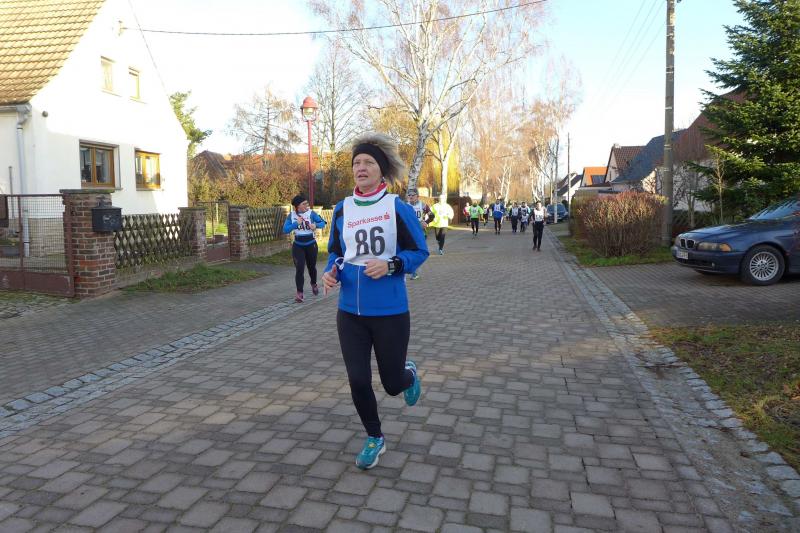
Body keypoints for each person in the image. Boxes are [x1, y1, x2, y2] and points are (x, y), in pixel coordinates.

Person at [321, 132, 429, 470]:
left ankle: (408, 375)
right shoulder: (342, 208)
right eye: (357, 162)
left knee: (392, 384)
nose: (361, 168)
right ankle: (374, 437)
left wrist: (392, 265)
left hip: (390, 311)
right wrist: (330, 271)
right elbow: (336, 252)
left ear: (382, 170)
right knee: (358, 380)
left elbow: (420, 251)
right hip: (349, 313)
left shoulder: (396, 208)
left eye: (369, 162)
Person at [283, 195, 327, 303]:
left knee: (311, 267)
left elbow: (323, 223)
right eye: (304, 204)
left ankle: (314, 283)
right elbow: (285, 230)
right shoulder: (291, 216)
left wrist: (316, 225)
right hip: (298, 245)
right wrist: (295, 223)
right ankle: (299, 293)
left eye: (307, 203)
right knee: (299, 268)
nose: (307, 205)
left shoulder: (311, 213)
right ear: (298, 206)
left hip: (311, 244)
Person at [406, 189, 434, 280]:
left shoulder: (423, 205)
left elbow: (432, 216)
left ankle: (415, 270)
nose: (410, 197)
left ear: (417, 196)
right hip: (409, 232)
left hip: (420, 231)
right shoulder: (405, 205)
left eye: (413, 195)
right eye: (409, 195)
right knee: (411, 250)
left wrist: (426, 222)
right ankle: (414, 272)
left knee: (419, 251)